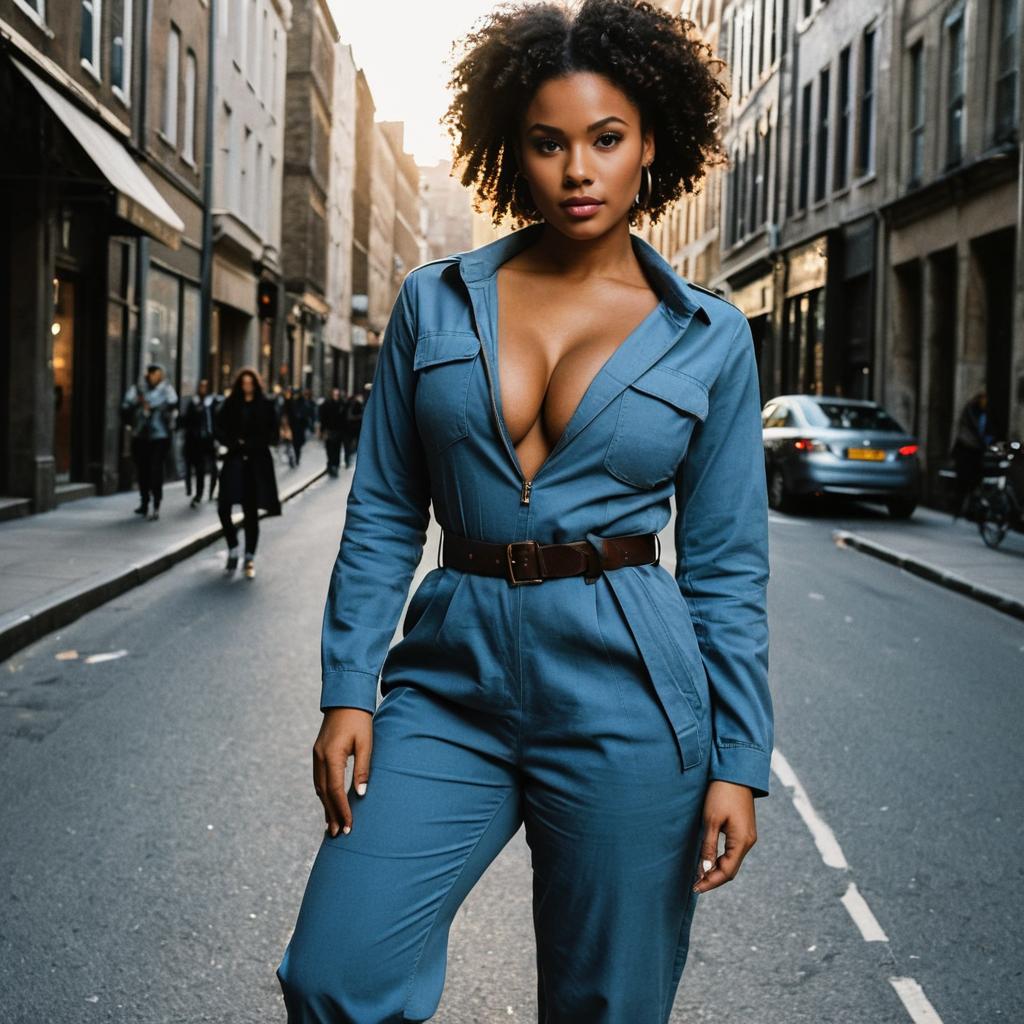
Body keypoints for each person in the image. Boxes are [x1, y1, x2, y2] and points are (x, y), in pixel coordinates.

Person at [276, 2, 772, 1020]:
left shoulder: (708, 338)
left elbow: (725, 569)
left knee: (608, 1003)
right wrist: (348, 687)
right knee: (334, 970)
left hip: (629, 690)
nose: (577, 170)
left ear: (651, 148)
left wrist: (739, 759)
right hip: (452, 672)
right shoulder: (435, 299)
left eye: (606, 139)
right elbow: (380, 511)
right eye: (548, 142)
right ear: (513, 149)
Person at [214, 367, 281, 579]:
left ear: (256, 384)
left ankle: (249, 556)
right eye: (243, 383)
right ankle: (233, 547)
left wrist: (252, 444)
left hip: (256, 463)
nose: (247, 387)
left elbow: (274, 434)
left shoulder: (266, 405)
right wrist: (232, 443)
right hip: (234, 460)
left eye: (250, 383)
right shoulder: (231, 403)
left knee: (250, 511)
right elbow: (218, 427)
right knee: (223, 505)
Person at [121, 362, 178, 521]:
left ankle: (156, 504)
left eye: (157, 373)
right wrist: (137, 406)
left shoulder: (166, 389)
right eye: (151, 373)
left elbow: (173, 403)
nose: (154, 376)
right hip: (141, 434)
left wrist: (156, 407)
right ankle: (144, 501)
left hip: (159, 436)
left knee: (155, 469)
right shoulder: (139, 389)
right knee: (142, 470)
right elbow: (126, 405)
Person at [950, 388, 997, 520]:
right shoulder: (971, 410)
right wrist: (984, 442)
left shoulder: (985, 413)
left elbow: (990, 429)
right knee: (963, 481)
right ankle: (958, 508)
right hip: (966, 450)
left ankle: (971, 509)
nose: (984, 401)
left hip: (977, 451)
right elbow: (974, 428)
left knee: (975, 481)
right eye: (982, 398)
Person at [179, 378, 220, 507]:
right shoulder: (193, 402)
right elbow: (187, 421)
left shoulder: (213, 402)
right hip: (197, 442)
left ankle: (212, 492)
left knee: (214, 467)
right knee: (200, 468)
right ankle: (199, 493)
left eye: (205, 386)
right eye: (201, 386)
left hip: (211, 439)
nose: (203, 388)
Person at [318, 386, 346, 478]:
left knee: (336, 450)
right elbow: (323, 419)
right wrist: (322, 431)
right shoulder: (326, 404)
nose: (336, 396)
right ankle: (331, 465)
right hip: (329, 431)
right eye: (334, 394)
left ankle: (335, 466)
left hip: (338, 431)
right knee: (330, 450)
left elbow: (344, 419)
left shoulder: (342, 405)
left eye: (337, 394)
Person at [284, 386, 312, 467]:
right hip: (291, 426)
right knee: (290, 444)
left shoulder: (303, 402)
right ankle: (292, 458)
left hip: (299, 428)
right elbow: (286, 411)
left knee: (297, 445)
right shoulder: (290, 401)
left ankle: (296, 458)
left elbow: (306, 413)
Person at [340, 388, 365, 468]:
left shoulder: (353, 405)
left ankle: (348, 460)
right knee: (349, 446)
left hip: (351, 429)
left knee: (349, 446)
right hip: (350, 430)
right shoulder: (348, 405)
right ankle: (348, 460)